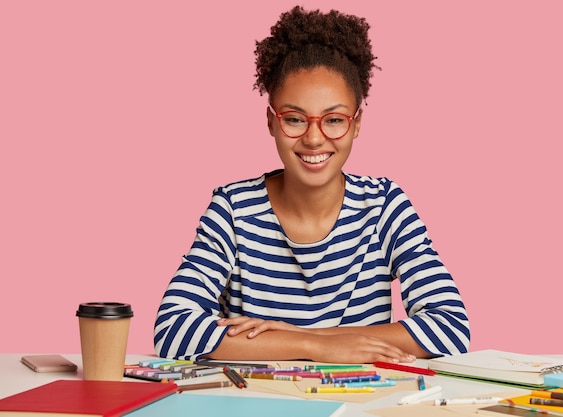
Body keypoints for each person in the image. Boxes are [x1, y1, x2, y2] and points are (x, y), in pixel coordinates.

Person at [154, 6, 470, 364]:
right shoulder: (233, 210)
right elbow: (173, 329)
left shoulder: (384, 206)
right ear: (271, 122)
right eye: (294, 119)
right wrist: (317, 348)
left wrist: (300, 334)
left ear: (356, 123)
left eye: (334, 119)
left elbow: (450, 327)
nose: (314, 138)